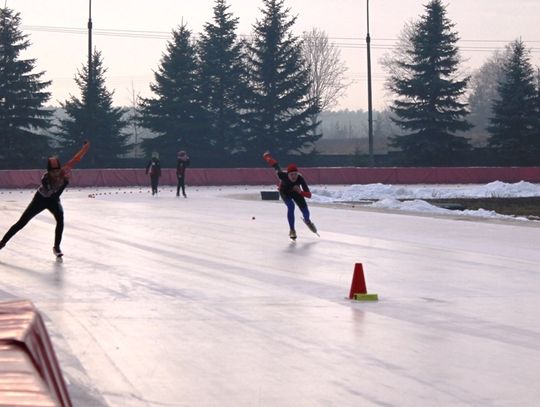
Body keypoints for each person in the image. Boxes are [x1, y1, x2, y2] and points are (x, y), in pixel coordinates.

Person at [0, 141, 90, 257]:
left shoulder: (63, 171)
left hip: (53, 201)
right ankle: (2, 242)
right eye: (53, 172)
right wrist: (65, 184)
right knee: (22, 222)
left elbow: (75, 159)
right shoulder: (45, 178)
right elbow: (55, 195)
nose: (56, 174)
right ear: (48, 171)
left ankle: (56, 247)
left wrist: (84, 149)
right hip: (41, 199)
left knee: (60, 220)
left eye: (57, 171)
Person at [263, 151, 317, 240]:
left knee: (306, 212)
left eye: (295, 174)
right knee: (291, 206)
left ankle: (308, 221)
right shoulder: (282, 175)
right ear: (287, 175)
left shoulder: (300, 179)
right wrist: (267, 157)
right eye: (291, 175)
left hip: (296, 193)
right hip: (285, 192)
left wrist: (300, 192)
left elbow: (309, 195)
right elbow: (275, 165)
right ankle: (292, 230)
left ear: (298, 174)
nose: (294, 177)